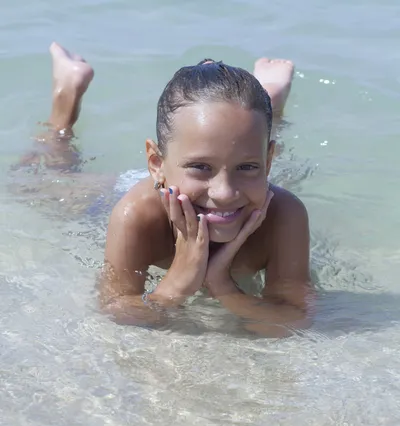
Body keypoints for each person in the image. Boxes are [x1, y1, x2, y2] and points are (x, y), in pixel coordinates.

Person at [21, 43, 314, 337]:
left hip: (207, 181)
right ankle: (66, 96)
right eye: (200, 166)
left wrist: (223, 287)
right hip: (153, 189)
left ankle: (269, 99)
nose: (224, 193)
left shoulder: (284, 215)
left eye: (250, 167)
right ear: (156, 163)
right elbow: (117, 310)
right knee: (42, 183)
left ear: (267, 163)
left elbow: (294, 318)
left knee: (248, 140)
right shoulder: (136, 215)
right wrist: (179, 281)